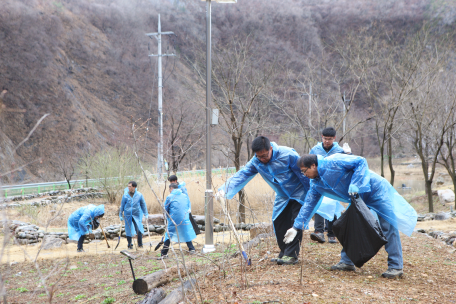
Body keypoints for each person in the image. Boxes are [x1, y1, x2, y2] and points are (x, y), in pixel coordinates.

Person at [283, 154, 418, 278]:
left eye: (304, 171)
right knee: (351, 225)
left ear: (313, 165)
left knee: (387, 226)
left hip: (374, 190)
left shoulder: (333, 162)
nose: (303, 174)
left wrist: (356, 184)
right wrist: (296, 227)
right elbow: (308, 205)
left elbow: (360, 161)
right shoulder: (316, 184)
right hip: (357, 198)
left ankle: (395, 266)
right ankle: (347, 262)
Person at [216, 136, 312, 265]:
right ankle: (284, 252)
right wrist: (224, 190)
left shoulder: (288, 154)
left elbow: (304, 174)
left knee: (296, 222)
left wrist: (311, 193)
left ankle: (291, 256)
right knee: (278, 222)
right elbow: (242, 174)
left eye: (265, 155)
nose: (262, 159)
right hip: (282, 195)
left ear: (270, 148)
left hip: (300, 192)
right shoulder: (256, 161)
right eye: (259, 156)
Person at [309, 127, 350, 244]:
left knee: (333, 205)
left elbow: (347, 163)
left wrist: (348, 153)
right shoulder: (315, 149)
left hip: (334, 182)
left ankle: (332, 233)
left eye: (330, 139)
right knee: (319, 204)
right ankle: (319, 232)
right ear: (321, 137)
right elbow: (309, 163)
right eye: (325, 138)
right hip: (319, 181)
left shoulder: (339, 150)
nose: (327, 141)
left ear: (334, 138)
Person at [161, 183, 197, 257]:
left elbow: (165, 209)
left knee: (169, 234)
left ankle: (164, 253)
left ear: (171, 189)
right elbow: (187, 206)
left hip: (174, 219)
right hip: (184, 218)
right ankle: (191, 249)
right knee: (186, 232)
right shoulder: (184, 196)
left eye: (169, 190)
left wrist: (167, 218)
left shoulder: (169, 197)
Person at [119, 181, 149, 249]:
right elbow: (122, 206)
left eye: (130, 186)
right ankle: (130, 245)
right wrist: (120, 215)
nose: (128, 187)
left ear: (134, 187)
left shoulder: (139, 195)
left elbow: (143, 204)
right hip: (127, 215)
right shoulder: (125, 195)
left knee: (138, 229)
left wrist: (146, 213)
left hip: (136, 214)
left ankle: (140, 244)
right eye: (128, 186)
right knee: (128, 229)